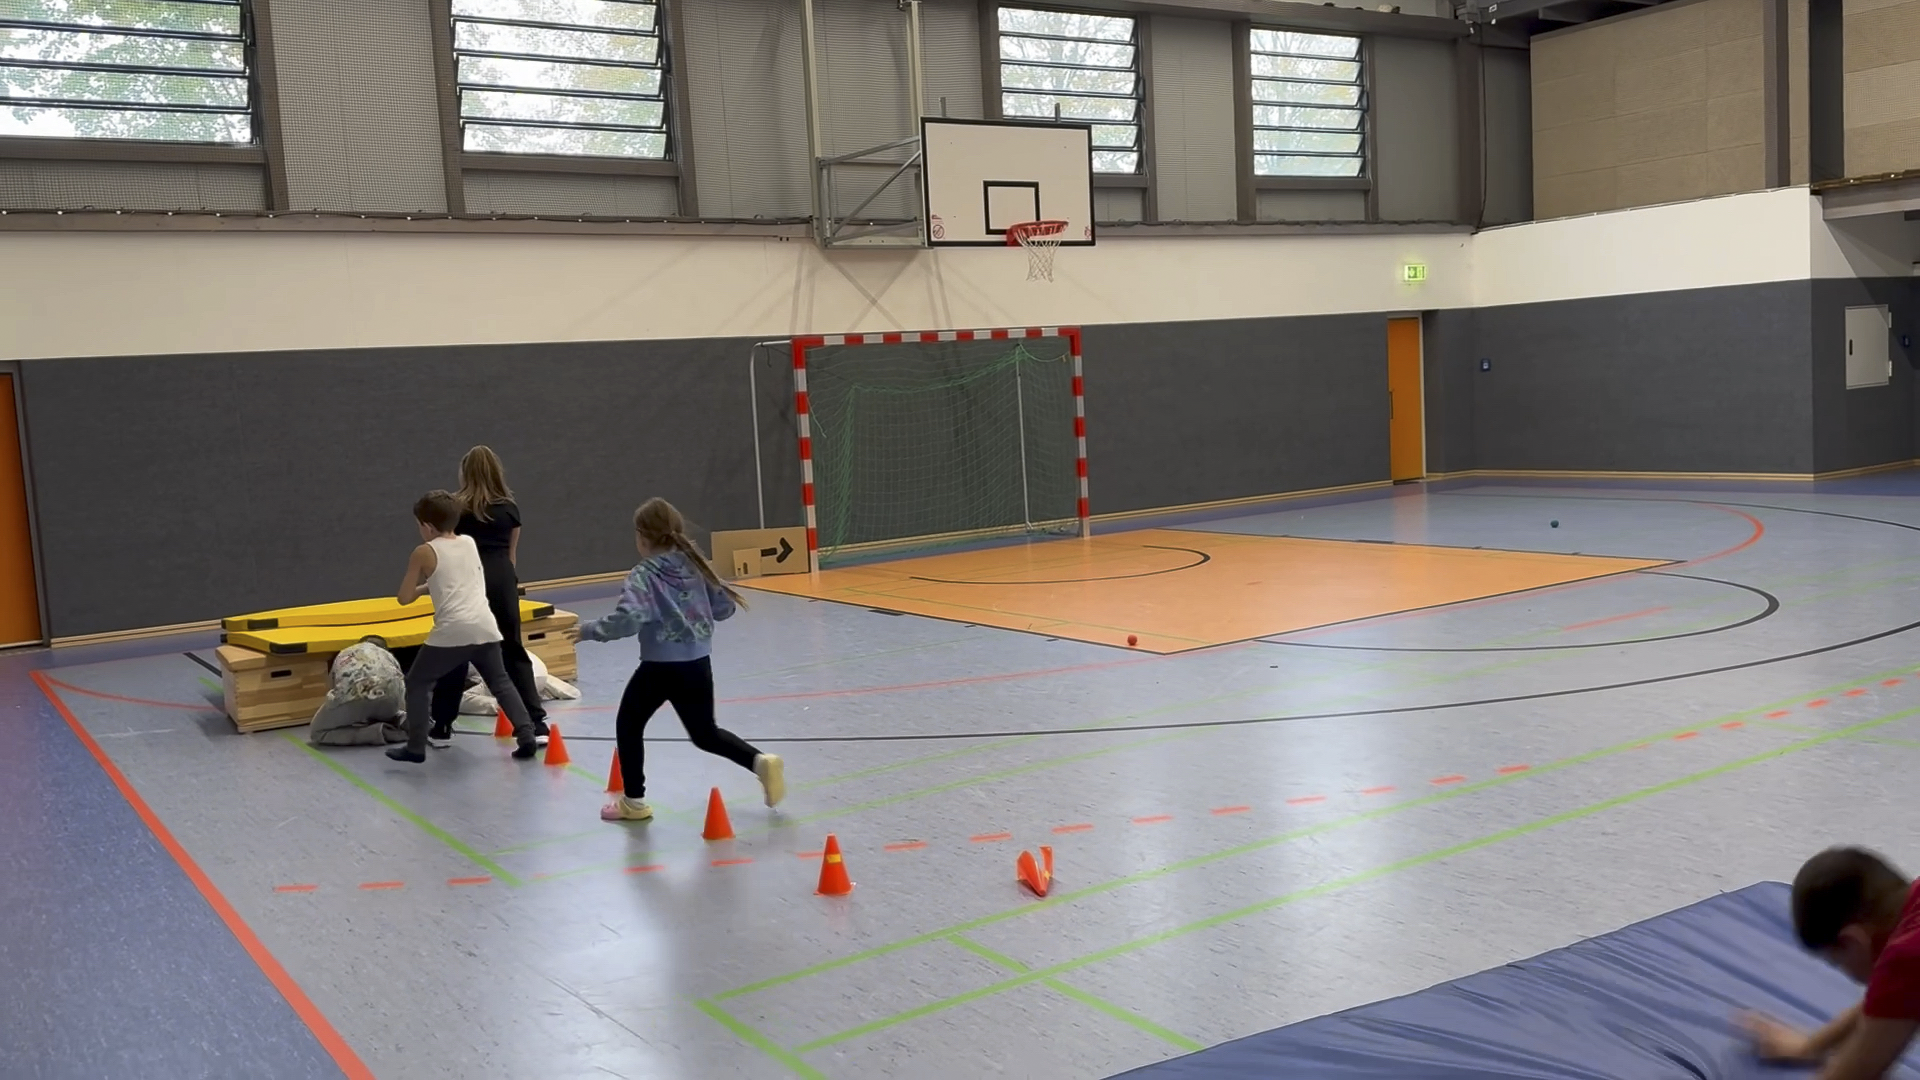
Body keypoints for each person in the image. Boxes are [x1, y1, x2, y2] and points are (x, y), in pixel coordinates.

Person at [574, 498, 783, 822]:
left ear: (642, 536)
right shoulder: (695, 564)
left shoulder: (643, 574)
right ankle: (760, 762)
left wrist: (588, 630)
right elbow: (724, 608)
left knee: (629, 725)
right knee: (705, 733)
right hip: (698, 664)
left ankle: (634, 802)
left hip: (659, 668)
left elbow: (629, 620)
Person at [386, 490, 539, 764]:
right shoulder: (468, 542)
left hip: (452, 630)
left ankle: (416, 746)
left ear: (427, 526)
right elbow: (456, 577)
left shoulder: (423, 552)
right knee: (501, 682)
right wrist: (432, 584)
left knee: (418, 682)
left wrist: (421, 588)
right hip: (484, 624)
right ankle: (527, 734)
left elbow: (404, 598)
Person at [1745, 847, 1920, 1078]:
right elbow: (1888, 1000)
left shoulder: (1906, 956)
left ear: (1851, 943)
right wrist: (1809, 1047)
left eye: (1837, 963)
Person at [426, 446, 551, 747]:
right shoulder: (509, 509)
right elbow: (511, 555)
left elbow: (446, 550)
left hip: (469, 582)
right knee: (513, 650)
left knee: (455, 650)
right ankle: (536, 723)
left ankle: (442, 725)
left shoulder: (455, 510)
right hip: (502, 581)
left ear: (465, 473)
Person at [309, 635, 406, 746]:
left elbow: (332, 687)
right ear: (384, 649)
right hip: (390, 696)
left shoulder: (344, 653)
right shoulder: (388, 656)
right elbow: (400, 684)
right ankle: (403, 720)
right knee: (388, 704)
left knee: (317, 732)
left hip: (355, 694)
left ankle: (376, 733)